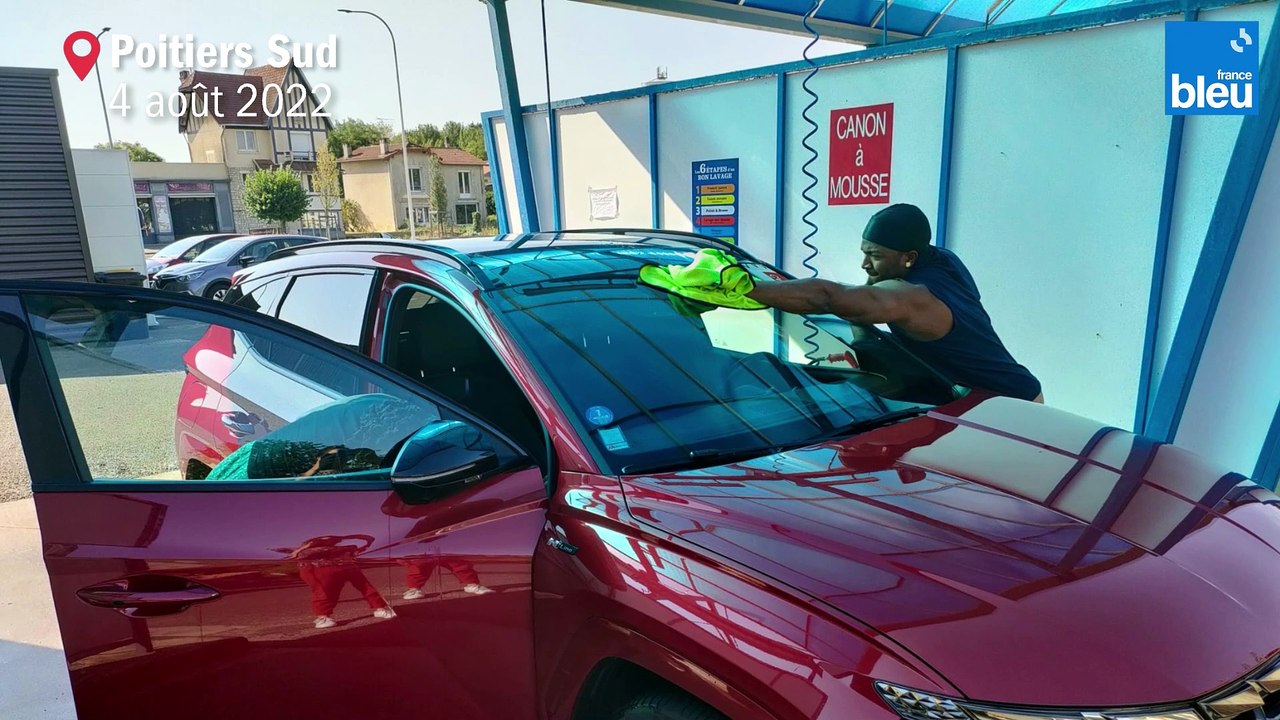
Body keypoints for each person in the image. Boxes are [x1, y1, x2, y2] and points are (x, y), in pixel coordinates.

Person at [640, 203, 1042, 402]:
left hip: (1010, 407)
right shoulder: (942, 261)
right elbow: (865, 311)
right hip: (984, 398)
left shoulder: (915, 298)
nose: (866, 263)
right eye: (864, 251)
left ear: (909, 258)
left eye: (876, 256)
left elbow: (829, 297)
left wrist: (742, 287)